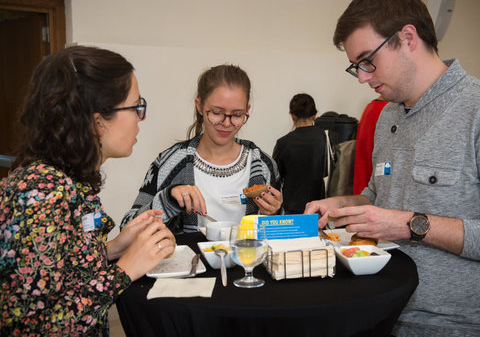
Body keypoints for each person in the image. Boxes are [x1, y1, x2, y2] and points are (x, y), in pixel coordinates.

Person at [305, 0, 480, 336]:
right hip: (378, 312)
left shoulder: (474, 111)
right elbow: (375, 196)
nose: (364, 77)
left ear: (408, 38)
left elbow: (400, 220)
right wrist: (340, 205)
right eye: (356, 67)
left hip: (448, 326)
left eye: (368, 61)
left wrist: (410, 225)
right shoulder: (388, 116)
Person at [0, 46, 175, 336]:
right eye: (135, 107)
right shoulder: (41, 194)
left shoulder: (69, 180)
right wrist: (126, 269)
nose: (140, 117)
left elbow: (58, 274)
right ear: (97, 121)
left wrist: (115, 247)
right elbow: (32, 328)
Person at [121, 64, 283, 234]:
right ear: (199, 106)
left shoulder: (263, 165)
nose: (227, 123)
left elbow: (284, 238)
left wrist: (275, 214)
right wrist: (168, 199)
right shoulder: (169, 162)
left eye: (237, 115)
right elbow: (127, 227)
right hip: (186, 261)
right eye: (217, 113)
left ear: (247, 110)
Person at [273, 93, 327, 213]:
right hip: (321, 210)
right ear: (315, 115)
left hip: (291, 210)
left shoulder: (283, 143)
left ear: (292, 115)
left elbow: (275, 179)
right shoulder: (327, 138)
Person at [352, 97, 388, 194]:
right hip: (375, 194)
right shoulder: (387, 111)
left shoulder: (370, 107)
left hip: (363, 189)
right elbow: (387, 159)